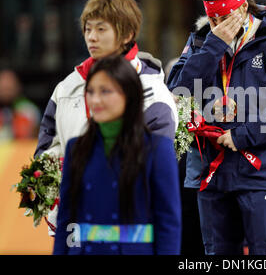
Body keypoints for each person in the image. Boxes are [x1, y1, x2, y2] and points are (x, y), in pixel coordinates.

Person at [167, 0, 266, 255]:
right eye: (214, 19)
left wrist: (244, 134)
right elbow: (177, 92)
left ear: (243, 6)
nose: (219, 25)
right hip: (212, 171)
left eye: (226, 17)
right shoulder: (200, 42)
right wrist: (214, 45)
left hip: (261, 170)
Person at [35, 0, 178, 236]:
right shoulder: (67, 87)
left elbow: (155, 169)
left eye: (101, 30)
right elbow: (49, 145)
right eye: (88, 29)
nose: (91, 37)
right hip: (74, 225)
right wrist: (49, 175)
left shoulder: (153, 94)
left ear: (127, 35)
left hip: (129, 227)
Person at [53, 56, 181, 255]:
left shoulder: (157, 148)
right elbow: (65, 221)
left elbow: (168, 223)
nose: (95, 100)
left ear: (129, 94)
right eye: (91, 91)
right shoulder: (75, 148)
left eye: (105, 91)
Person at [0, 69, 40, 140]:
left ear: (18, 87)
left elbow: (36, 138)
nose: (6, 92)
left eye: (9, 88)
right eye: (3, 88)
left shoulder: (28, 110)